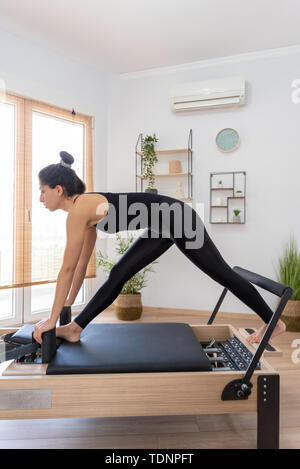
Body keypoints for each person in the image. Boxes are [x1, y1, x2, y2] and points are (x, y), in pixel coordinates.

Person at [33, 151, 286, 345]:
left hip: (178, 218)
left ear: (58, 189)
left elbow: (65, 270)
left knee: (221, 273)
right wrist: (66, 305)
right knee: (118, 274)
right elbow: (78, 267)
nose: (40, 199)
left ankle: (273, 322)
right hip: (163, 223)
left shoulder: (79, 210)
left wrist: (52, 320)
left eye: (43, 192)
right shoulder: (83, 213)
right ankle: (76, 328)